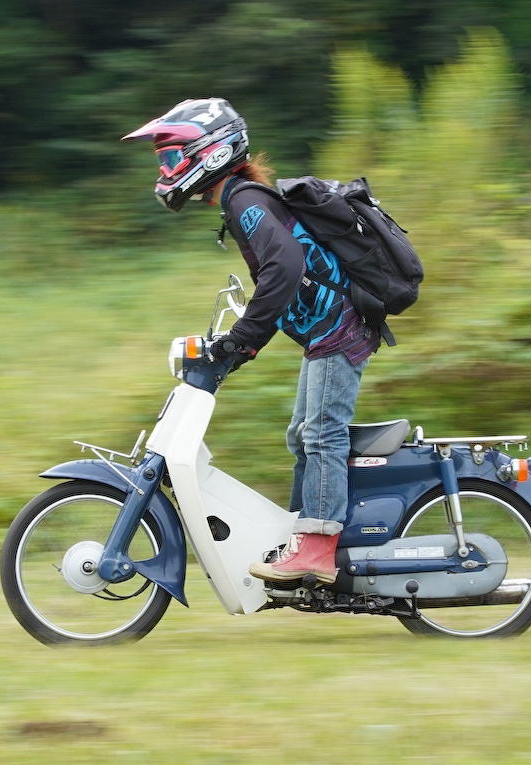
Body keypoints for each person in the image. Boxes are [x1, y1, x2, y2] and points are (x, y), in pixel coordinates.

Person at [123, 98, 379, 585]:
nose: (166, 168)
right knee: (301, 434)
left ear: (209, 153)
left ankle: (317, 548)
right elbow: (281, 275)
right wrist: (243, 341)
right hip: (329, 332)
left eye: (172, 156)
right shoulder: (243, 199)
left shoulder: (244, 201)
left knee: (322, 432)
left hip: (337, 329)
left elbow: (285, 268)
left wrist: (244, 338)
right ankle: (302, 536)